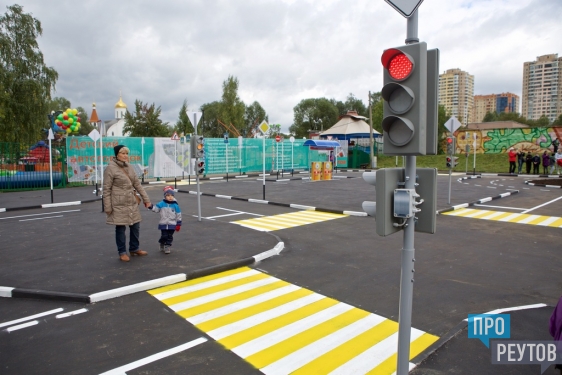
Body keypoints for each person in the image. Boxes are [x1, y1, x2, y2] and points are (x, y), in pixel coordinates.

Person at [103, 145, 151, 262]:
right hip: (118, 203)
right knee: (120, 227)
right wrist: (107, 206)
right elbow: (106, 189)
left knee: (135, 226)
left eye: (126, 153)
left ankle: (134, 248)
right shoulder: (110, 168)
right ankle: (122, 252)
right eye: (122, 153)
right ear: (117, 155)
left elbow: (137, 184)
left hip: (131, 202)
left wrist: (146, 199)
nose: (125, 156)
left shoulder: (129, 167)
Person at [148, 186, 182, 254]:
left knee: (170, 236)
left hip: (172, 224)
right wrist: (151, 206)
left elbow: (178, 215)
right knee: (164, 236)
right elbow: (156, 209)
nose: (170, 197)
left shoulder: (175, 205)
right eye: (168, 195)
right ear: (165, 196)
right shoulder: (161, 203)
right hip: (163, 223)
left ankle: (167, 246)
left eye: (172, 195)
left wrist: (178, 224)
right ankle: (162, 242)